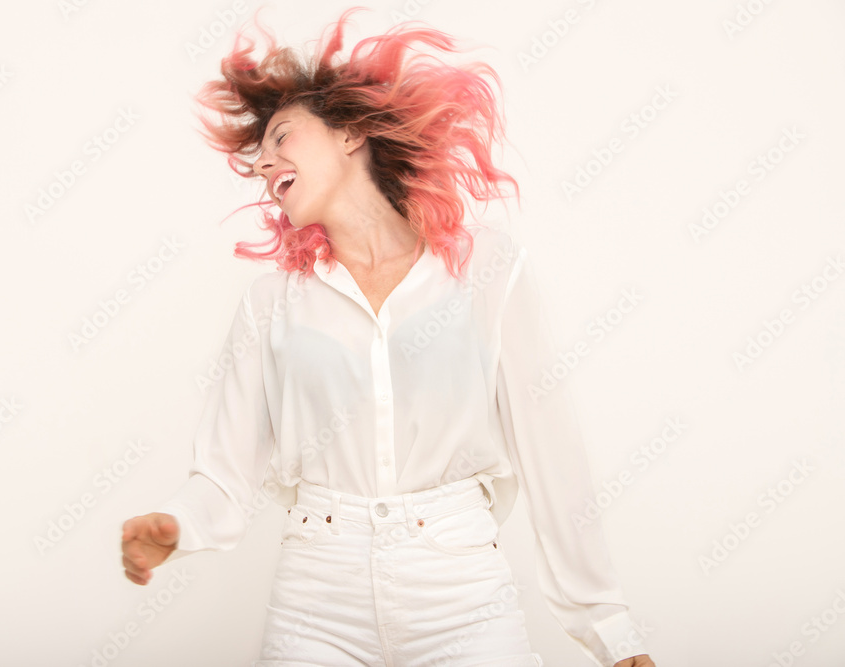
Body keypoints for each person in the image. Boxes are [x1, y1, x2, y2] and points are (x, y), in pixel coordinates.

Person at [121, 7, 657, 666]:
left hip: (462, 592)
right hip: (316, 599)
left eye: (281, 137)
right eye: (258, 158)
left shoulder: (486, 271)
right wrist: (176, 523)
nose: (265, 165)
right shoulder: (272, 303)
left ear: (349, 133)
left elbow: (553, 454)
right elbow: (226, 474)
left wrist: (609, 627)